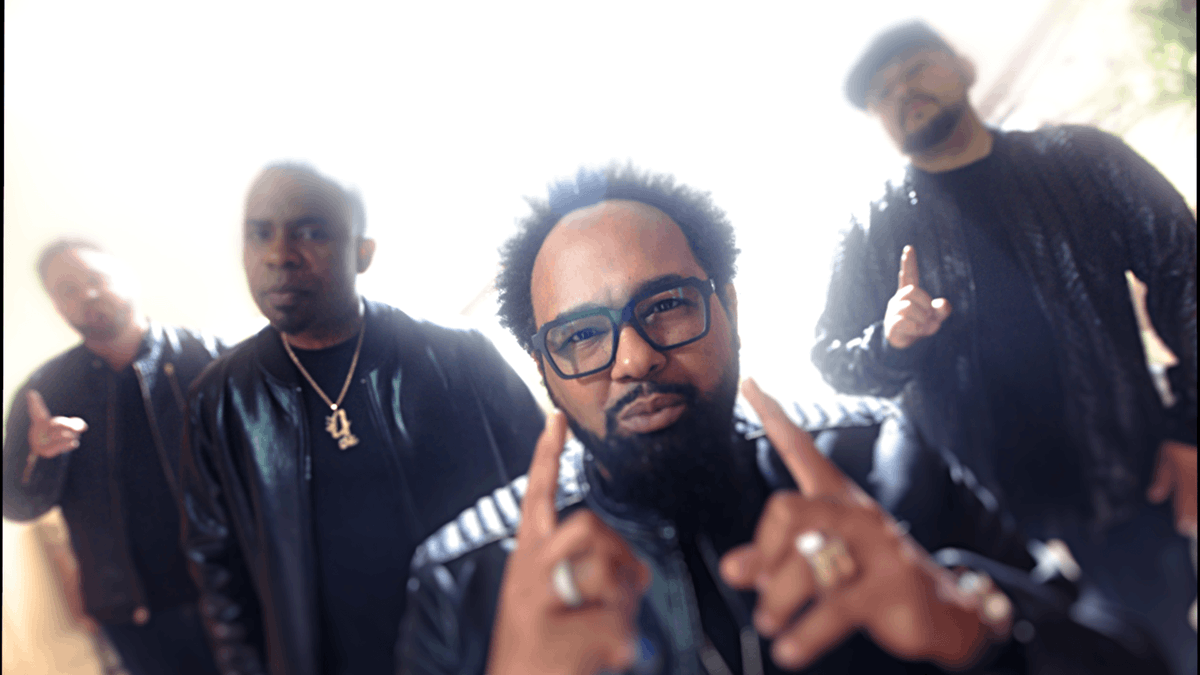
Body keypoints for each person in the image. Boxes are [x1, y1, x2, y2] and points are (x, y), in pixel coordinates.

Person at [397, 166, 1170, 674]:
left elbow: (1128, 653)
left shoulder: (881, 457)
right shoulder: (462, 579)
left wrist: (974, 628)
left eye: (667, 304)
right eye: (580, 337)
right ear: (544, 369)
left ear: (729, 308)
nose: (633, 358)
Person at [812, 21, 1197, 673]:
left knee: (1166, 655)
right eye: (881, 92)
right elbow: (833, 358)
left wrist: (1189, 426)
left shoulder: (1081, 160)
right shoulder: (871, 228)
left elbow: (1183, 272)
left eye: (915, 68)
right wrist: (891, 339)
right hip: (994, 536)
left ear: (962, 66)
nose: (902, 91)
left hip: (1129, 489)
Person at [180, 163, 545, 675]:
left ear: (363, 252)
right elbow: (218, 571)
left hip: (486, 651)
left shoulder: (459, 356)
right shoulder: (220, 401)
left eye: (310, 232)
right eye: (260, 234)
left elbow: (547, 491)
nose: (278, 255)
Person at [3, 239, 224, 675]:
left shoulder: (209, 356)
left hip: (233, 586)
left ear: (127, 275)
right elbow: (17, 504)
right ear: (56, 305)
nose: (86, 294)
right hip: (134, 614)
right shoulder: (44, 390)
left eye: (95, 278)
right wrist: (43, 457)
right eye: (67, 290)